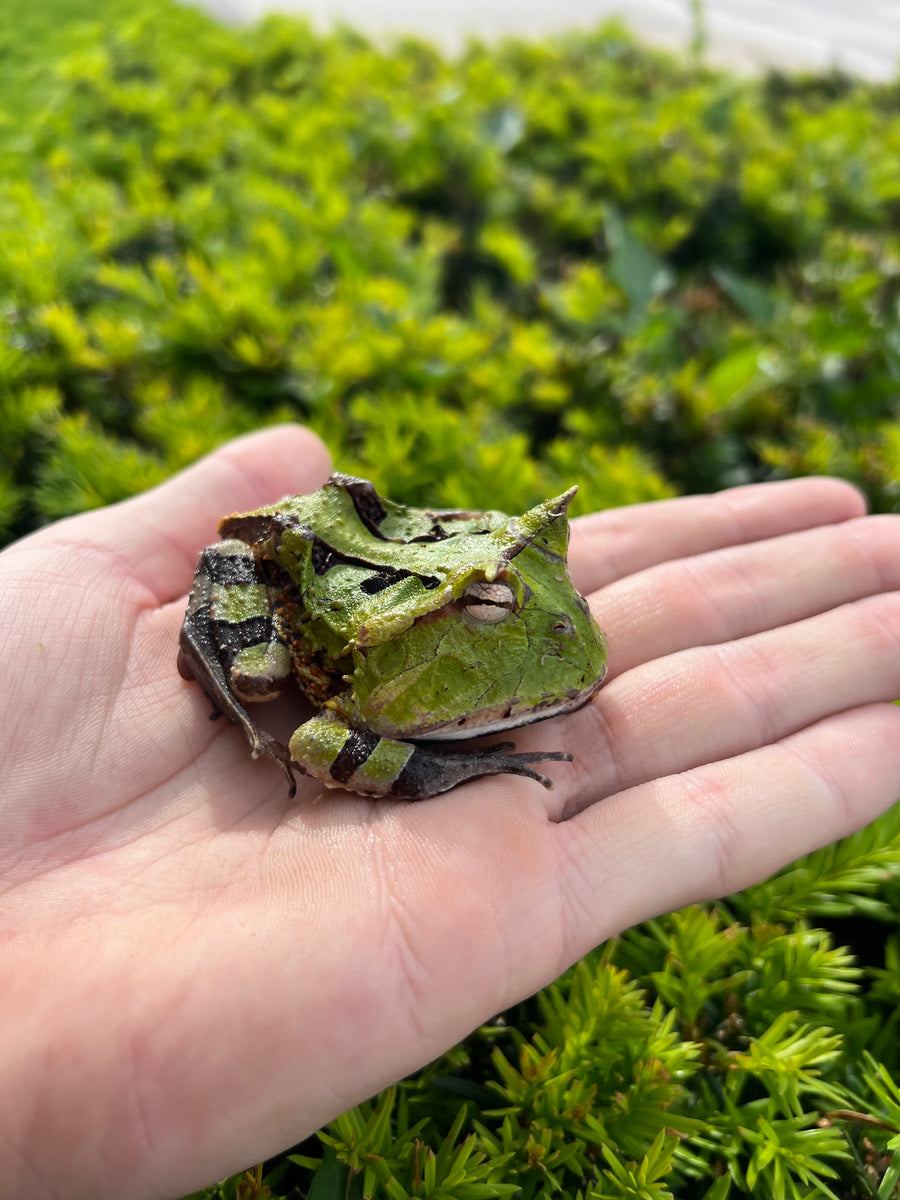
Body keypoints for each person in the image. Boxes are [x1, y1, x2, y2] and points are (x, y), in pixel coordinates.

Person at [1, 423, 898, 1200]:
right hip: (312, 572)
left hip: (396, 551)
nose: (558, 619)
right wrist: (434, 772)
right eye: (489, 606)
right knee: (261, 676)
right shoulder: (376, 666)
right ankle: (284, 650)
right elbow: (315, 744)